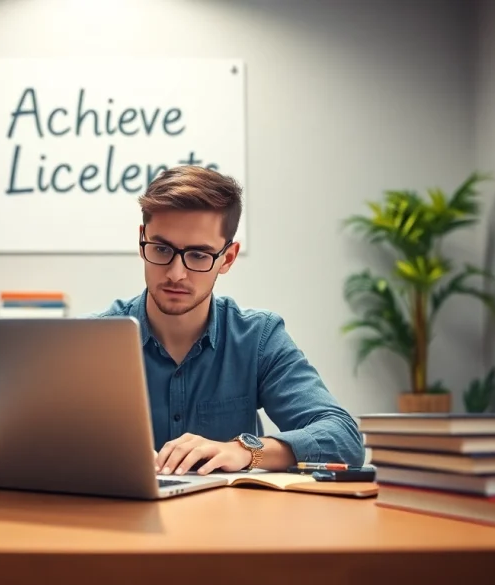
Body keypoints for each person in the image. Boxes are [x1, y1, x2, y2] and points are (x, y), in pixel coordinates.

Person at [93, 165, 365, 477]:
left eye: (199, 255)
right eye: (162, 249)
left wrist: (245, 451)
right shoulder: (93, 340)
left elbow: (343, 437)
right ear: (142, 241)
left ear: (228, 258)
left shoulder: (258, 337)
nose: (176, 273)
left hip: (229, 509)